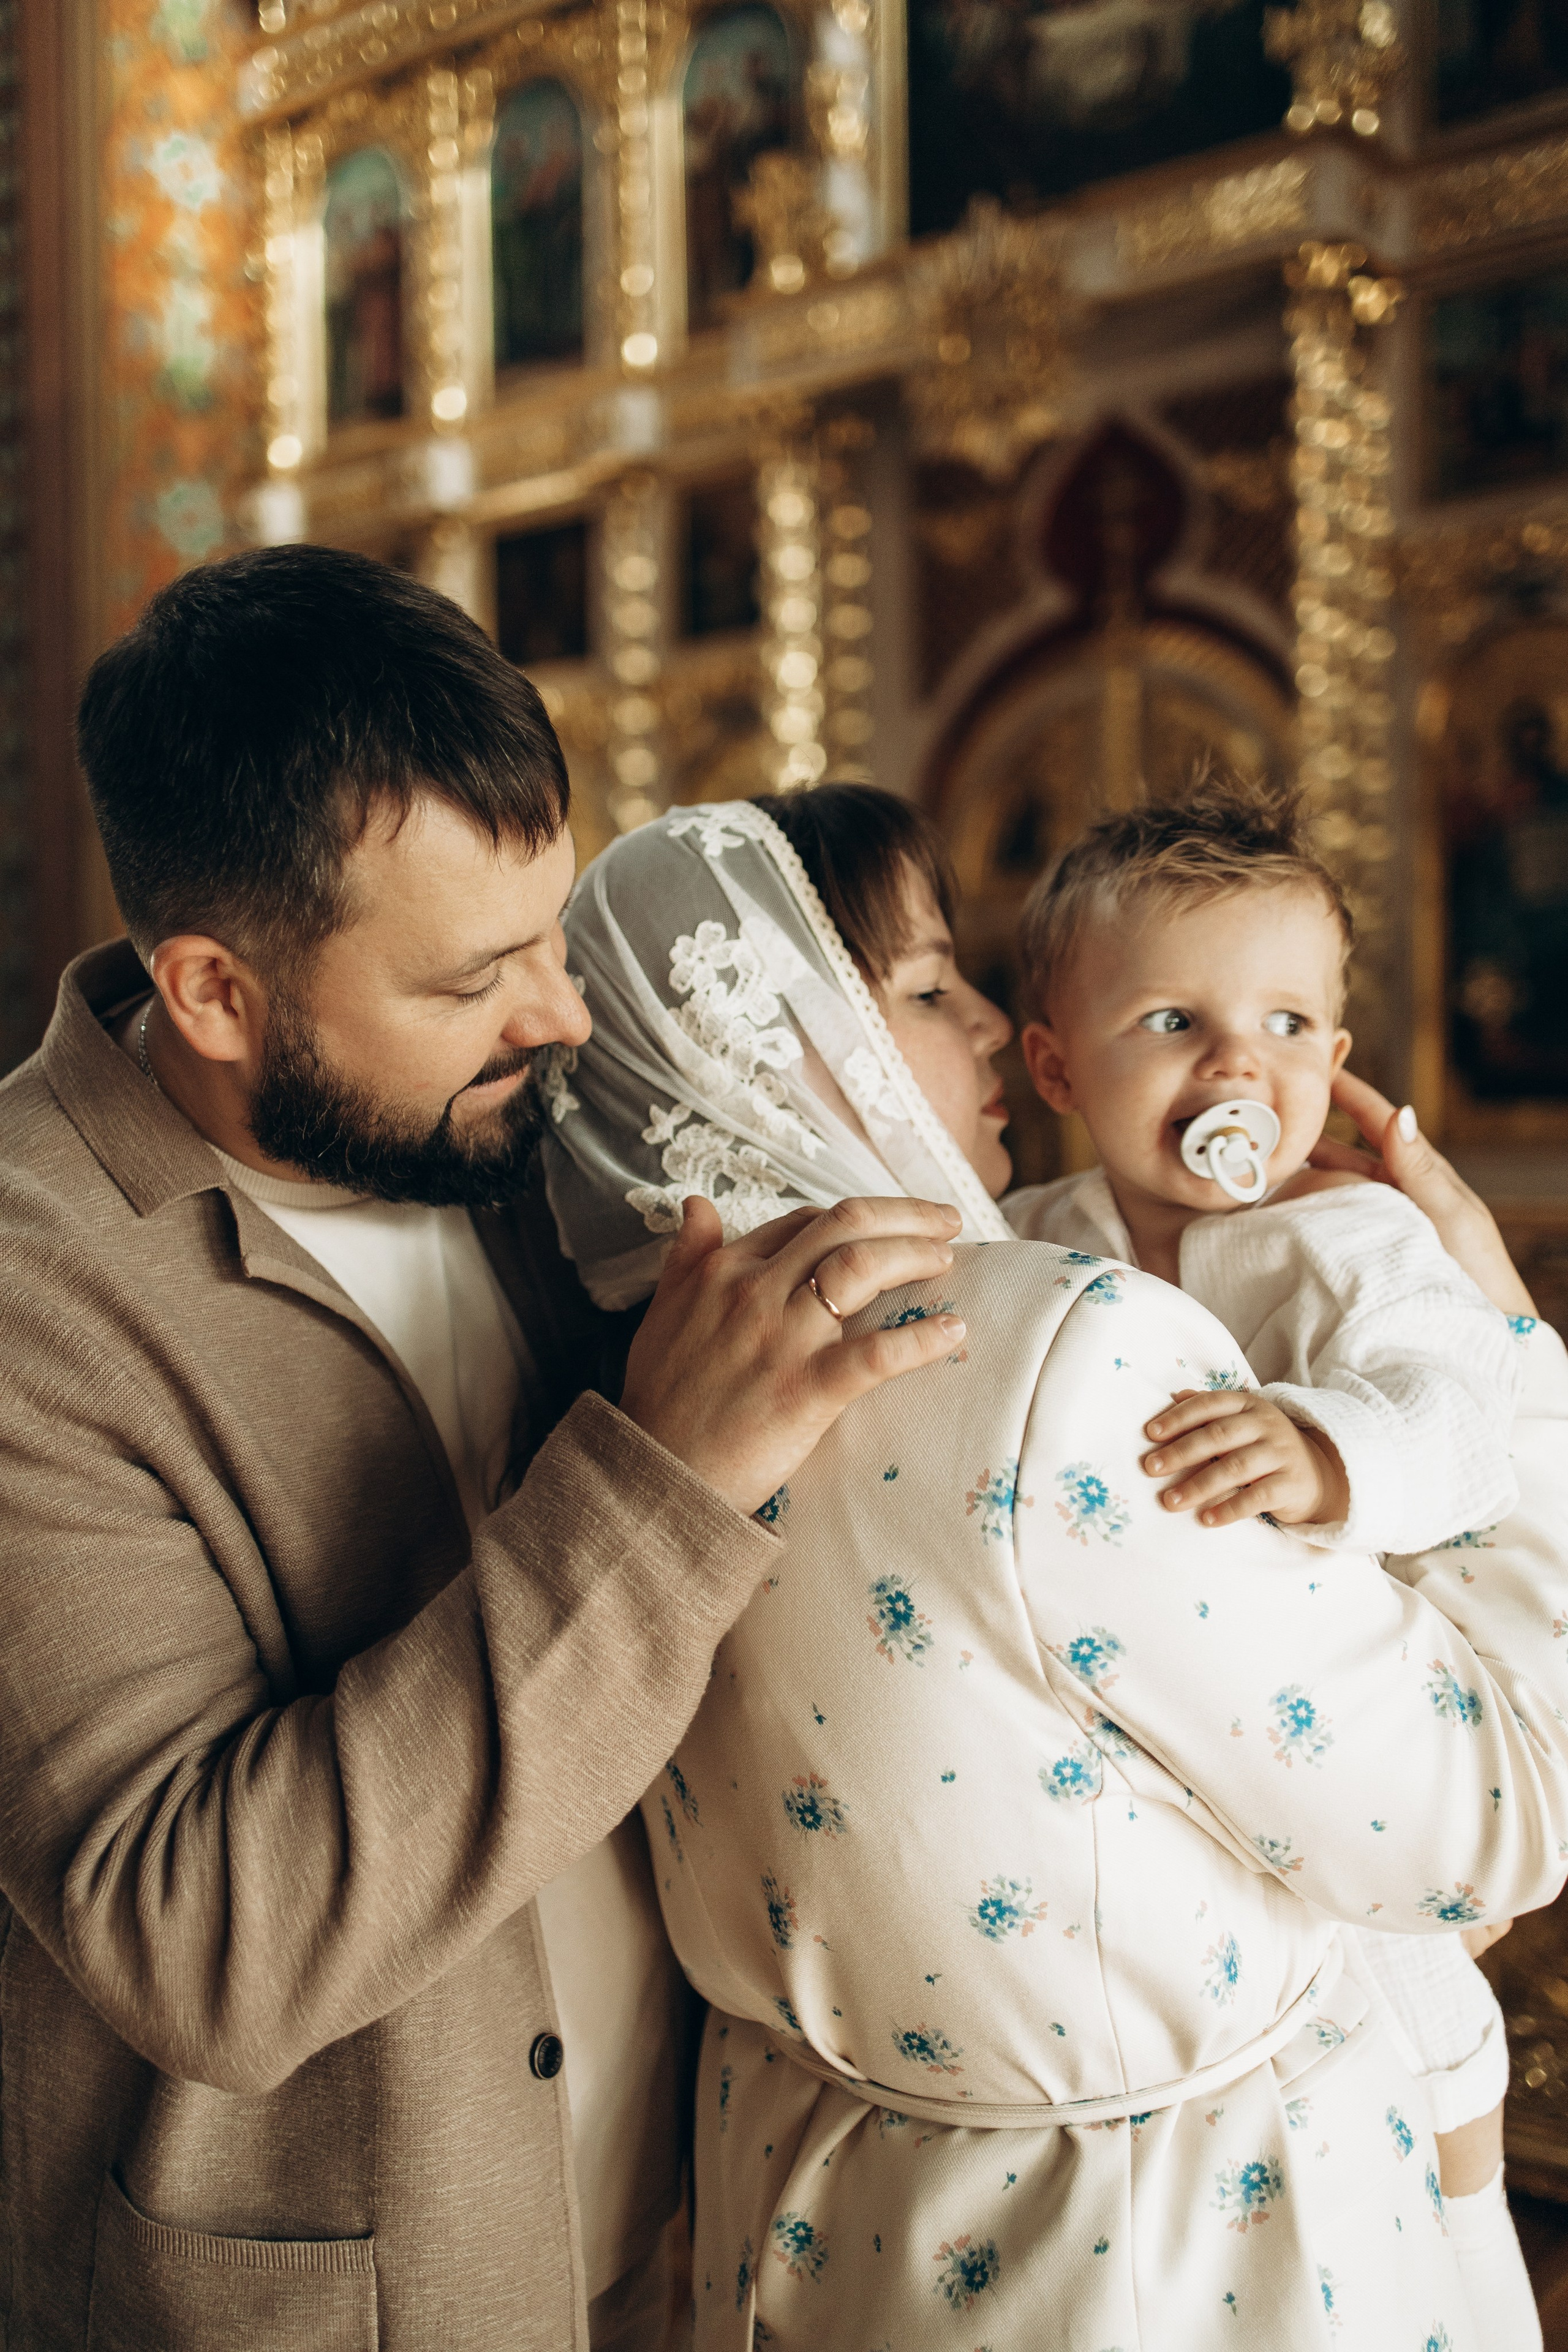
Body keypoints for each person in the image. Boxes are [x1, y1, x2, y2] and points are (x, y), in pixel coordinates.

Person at [0, 550, 968, 2352]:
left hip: (712, 2240)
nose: (569, 1016)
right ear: (214, 992)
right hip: (344, 2306)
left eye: (557, 930)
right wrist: (659, 1488)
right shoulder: (28, 1298)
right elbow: (210, 1937)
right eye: (477, 976)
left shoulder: (533, 1130)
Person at [542, 791, 1568, 2351]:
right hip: (1153, 2251)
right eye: (928, 985)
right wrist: (1520, 1354)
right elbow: (1489, 1825)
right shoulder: (1059, 1341)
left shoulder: (643, 1364)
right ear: (791, 1035)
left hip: (814, 2221)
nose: (986, 1029)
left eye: (1291, 1020)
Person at [1005, 775, 1566, 2346]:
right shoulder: (1033, 1235)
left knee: (1415, 2027)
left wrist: (1331, 1454)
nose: (1237, 1063)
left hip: (1352, 1733)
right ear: (1056, 1063)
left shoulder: (1358, 1245)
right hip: (1156, 1760)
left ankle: (1457, 2265)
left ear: (1333, 1056)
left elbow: (1466, 1420)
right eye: (1172, 1022)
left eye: (1286, 1023)